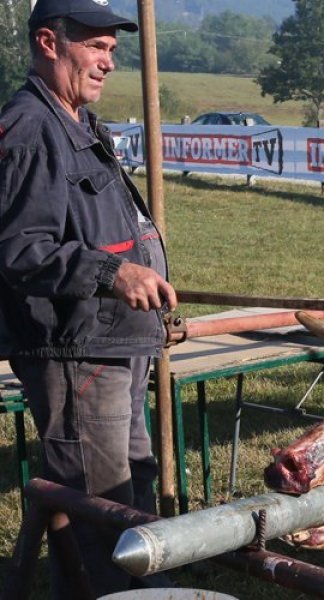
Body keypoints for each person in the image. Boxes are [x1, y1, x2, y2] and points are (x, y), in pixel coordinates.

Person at [0, 0, 175, 594]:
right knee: (104, 510)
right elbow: (22, 250)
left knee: (131, 494)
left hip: (112, 342)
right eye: (96, 48)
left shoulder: (76, 120)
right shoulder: (31, 126)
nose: (107, 64)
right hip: (76, 354)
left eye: (113, 52)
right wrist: (113, 274)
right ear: (50, 43)